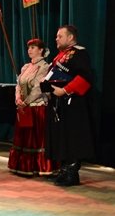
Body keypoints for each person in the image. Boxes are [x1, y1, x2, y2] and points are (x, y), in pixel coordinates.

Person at [42, 25, 97, 186]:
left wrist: (65, 90)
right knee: (62, 137)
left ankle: (72, 173)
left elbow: (85, 77)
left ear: (70, 37)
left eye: (60, 36)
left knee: (72, 137)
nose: (56, 39)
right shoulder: (59, 56)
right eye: (56, 36)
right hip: (59, 103)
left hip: (73, 103)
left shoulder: (79, 53)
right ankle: (65, 170)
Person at [7, 38, 56, 176]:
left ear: (41, 50)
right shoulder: (25, 67)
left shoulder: (45, 67)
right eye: (29, 47)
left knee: (35, 138)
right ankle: (22, 166)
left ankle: (38, 167)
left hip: (36, 107)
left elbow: (38, 88)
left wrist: (26, 101)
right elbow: (18, 85)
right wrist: (18, 98)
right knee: (23, 137)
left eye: (33, 47)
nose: (29, 50)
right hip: (24, 108)